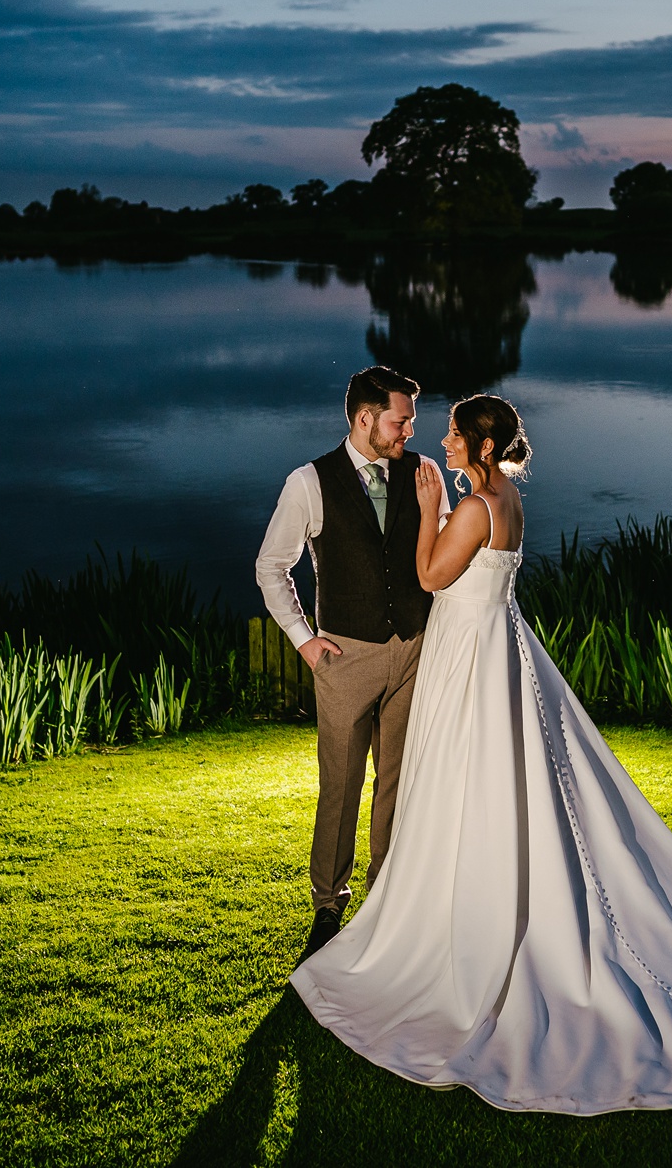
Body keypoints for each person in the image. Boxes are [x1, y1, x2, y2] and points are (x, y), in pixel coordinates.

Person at [288, 393, 672, 1115]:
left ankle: (462, 920)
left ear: (483, 448)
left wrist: (427, 508)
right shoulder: (503, 498)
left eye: (454, 434)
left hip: (471, 661)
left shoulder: (475, 506)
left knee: (470, 780)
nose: (442, 442)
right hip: (492, 649)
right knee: (501, 780)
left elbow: (429, 578)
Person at [256, 365, 451, 961]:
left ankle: (388, 900)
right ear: (365, 419)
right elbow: (271, 566)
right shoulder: (309, 482)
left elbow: (440, 549)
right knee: (340, 786)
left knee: (398, 783)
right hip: (345, 657)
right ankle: (327, 907)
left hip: (412, 653)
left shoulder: (421, 473)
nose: (410, 430)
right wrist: (304, 640)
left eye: (410, 420)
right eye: (401, 419)